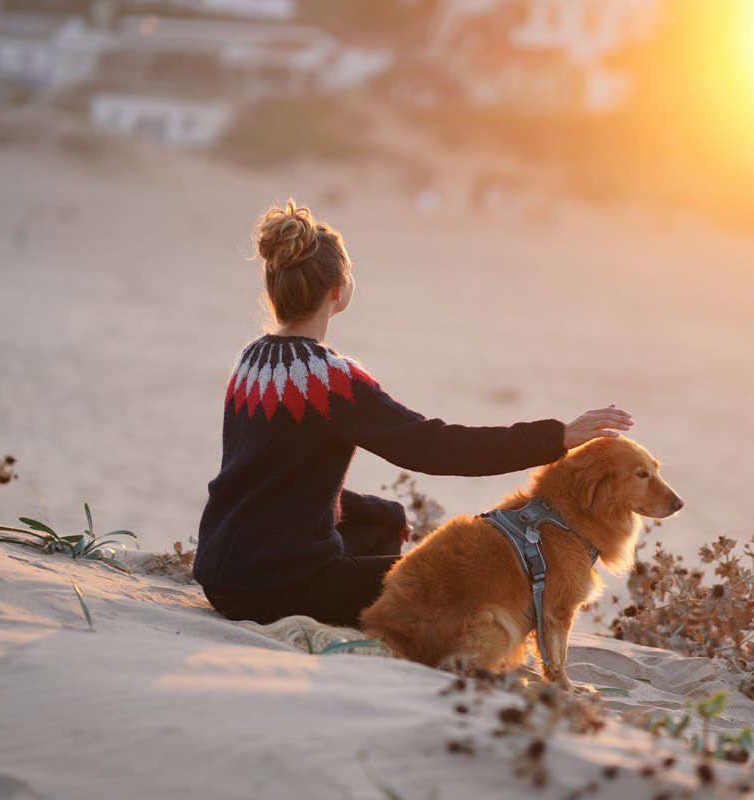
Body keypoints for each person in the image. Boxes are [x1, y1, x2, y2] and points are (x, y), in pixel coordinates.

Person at [194, 200, 633, 628]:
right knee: (449, 582)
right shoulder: (330, 380)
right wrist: (557, 437)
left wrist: (380, 513)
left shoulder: (251, 363)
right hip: (274, 588)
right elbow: (433, 447)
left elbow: (267, 477)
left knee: (387, 521)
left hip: (220, 570)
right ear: (337, 289)